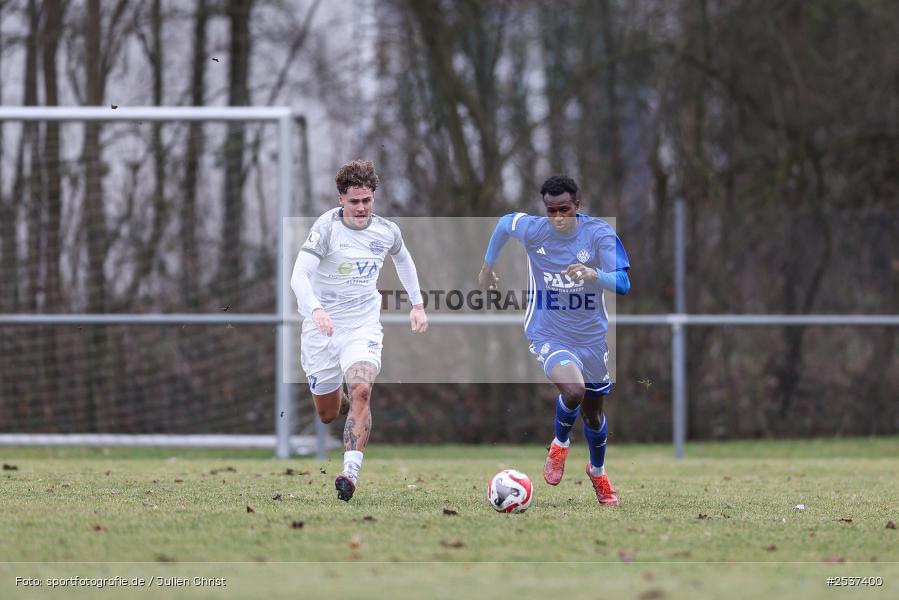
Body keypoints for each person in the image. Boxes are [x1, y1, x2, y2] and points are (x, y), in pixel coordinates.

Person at [478, 175, 630, 506]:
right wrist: (488, 267)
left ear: (577, 205)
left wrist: (594, 274)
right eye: (551, 211)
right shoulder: (534, 230)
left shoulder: (599, 234)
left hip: (591, 338)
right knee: (573, 390)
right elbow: (505, 223)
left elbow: (623, 283)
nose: (558, 218)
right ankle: (559, 444)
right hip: (547, 331)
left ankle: (598, 472)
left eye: (564, 210)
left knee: (593, 415)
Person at [291, 159, 428, 502]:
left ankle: (349, 473)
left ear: (373, 197)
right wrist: (317, 310)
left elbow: (404, 259)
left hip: (362, 326)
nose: (362, 208)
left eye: (367, 200)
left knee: (363, 389)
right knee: (326, 414)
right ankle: (346, 403)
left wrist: (417, 304)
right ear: (341, 200)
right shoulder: (325, 230)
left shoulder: (386, 231)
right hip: (321, 329)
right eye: (354, 201)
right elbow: (299, 277)